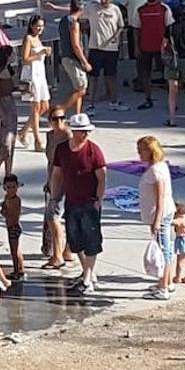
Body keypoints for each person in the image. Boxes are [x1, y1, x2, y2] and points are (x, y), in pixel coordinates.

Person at [49, 113, 106, 294]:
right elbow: (56, 174)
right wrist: (54, 197)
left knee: (91, 240)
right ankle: (87, 272)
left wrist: (98, 200)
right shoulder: (62, 150)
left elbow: (102, 177)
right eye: (83, 131)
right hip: (71, 201)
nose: (86, 134)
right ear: (75, 131)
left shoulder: (94, 151)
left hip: (89, 202)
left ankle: (88, 278)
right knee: (76, 241)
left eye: (87, 131)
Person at [138, 135, 177, 301]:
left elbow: (160, 198)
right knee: (165, 248)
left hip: (160, 215)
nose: (139, 154)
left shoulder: (155, 171)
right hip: (162, 212)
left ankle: (163, 287)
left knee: (163, 250)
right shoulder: (160, 166)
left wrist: (156, 222)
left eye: (142, 151)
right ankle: (166, 282)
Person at [41, 108, 74, 269]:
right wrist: (48, 180)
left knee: (53, 216)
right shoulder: (49, 136)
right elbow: (50, 161)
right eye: (55, 119)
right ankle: (66, 250)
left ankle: (58, 254)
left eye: (62, 118)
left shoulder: (69, 136)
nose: (59, 122)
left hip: (66, 181)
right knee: (59, 215)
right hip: (53, 178)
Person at [87, 0, 127, 114]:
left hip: (111, 49)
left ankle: (113, 102)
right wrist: (54, 8)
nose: (103, 1)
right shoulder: (93, 8)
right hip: (96, 47)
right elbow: (75, 11)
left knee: (111, 76)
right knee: (93, 77)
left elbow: (121, 26)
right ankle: (91, 104)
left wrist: (116, 35)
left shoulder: (116, 10)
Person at [135, 0, 174, 109]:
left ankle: (171, 101)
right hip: (145, 47)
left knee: (167, 75)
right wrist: (136, 47)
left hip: (162, 47)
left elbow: (170, 28)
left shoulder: (164, 8)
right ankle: (148, 99)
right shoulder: (140, 10)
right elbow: (136, 29)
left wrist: (170, 45)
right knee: (146, 74)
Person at [0, 45, 20, 186]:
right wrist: (2, 114)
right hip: (0, 107)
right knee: (5, 143)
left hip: (11, 106)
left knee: (10, 142)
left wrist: (23, 89)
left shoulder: (10, 70)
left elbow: (12, 87)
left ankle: (8, 174)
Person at [20, 15, 51, 153]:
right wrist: (39, 55)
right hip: (32, 74)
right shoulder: (28, 39)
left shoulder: (38, 39)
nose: (40, 29)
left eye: (42, 26)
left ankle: (24, 130)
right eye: (37, 26)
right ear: (32, 25)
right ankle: (38, 141)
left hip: (40, 74)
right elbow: (25, 59)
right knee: (36, 107)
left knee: (44, 106)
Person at [58, 0, 92, 116]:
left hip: (66, 56)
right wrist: (85, 61)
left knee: (77, 88)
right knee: (82, 89)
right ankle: (61, 109)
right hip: (73, 58)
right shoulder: (74, 23)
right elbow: (76, 46)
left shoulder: (64, 20)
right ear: (81, 10)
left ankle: (78, 113)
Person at [1, 174, 24, 280]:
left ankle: (17, 270)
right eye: (8, 187)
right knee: (16, 248)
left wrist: (5, 212)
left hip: (14, 226)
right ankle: (20, 268)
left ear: (17, 187)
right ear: (4, 187)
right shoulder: (7, 198)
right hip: (10, 226)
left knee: (14, 250)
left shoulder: (16, 200)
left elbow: (14, 216)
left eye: (13, 187)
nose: (11, 190)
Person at [123, 0, 149, 65]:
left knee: (132, 44)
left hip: (132, 23)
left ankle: (133, 60)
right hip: (144, 24)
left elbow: (122, 4)